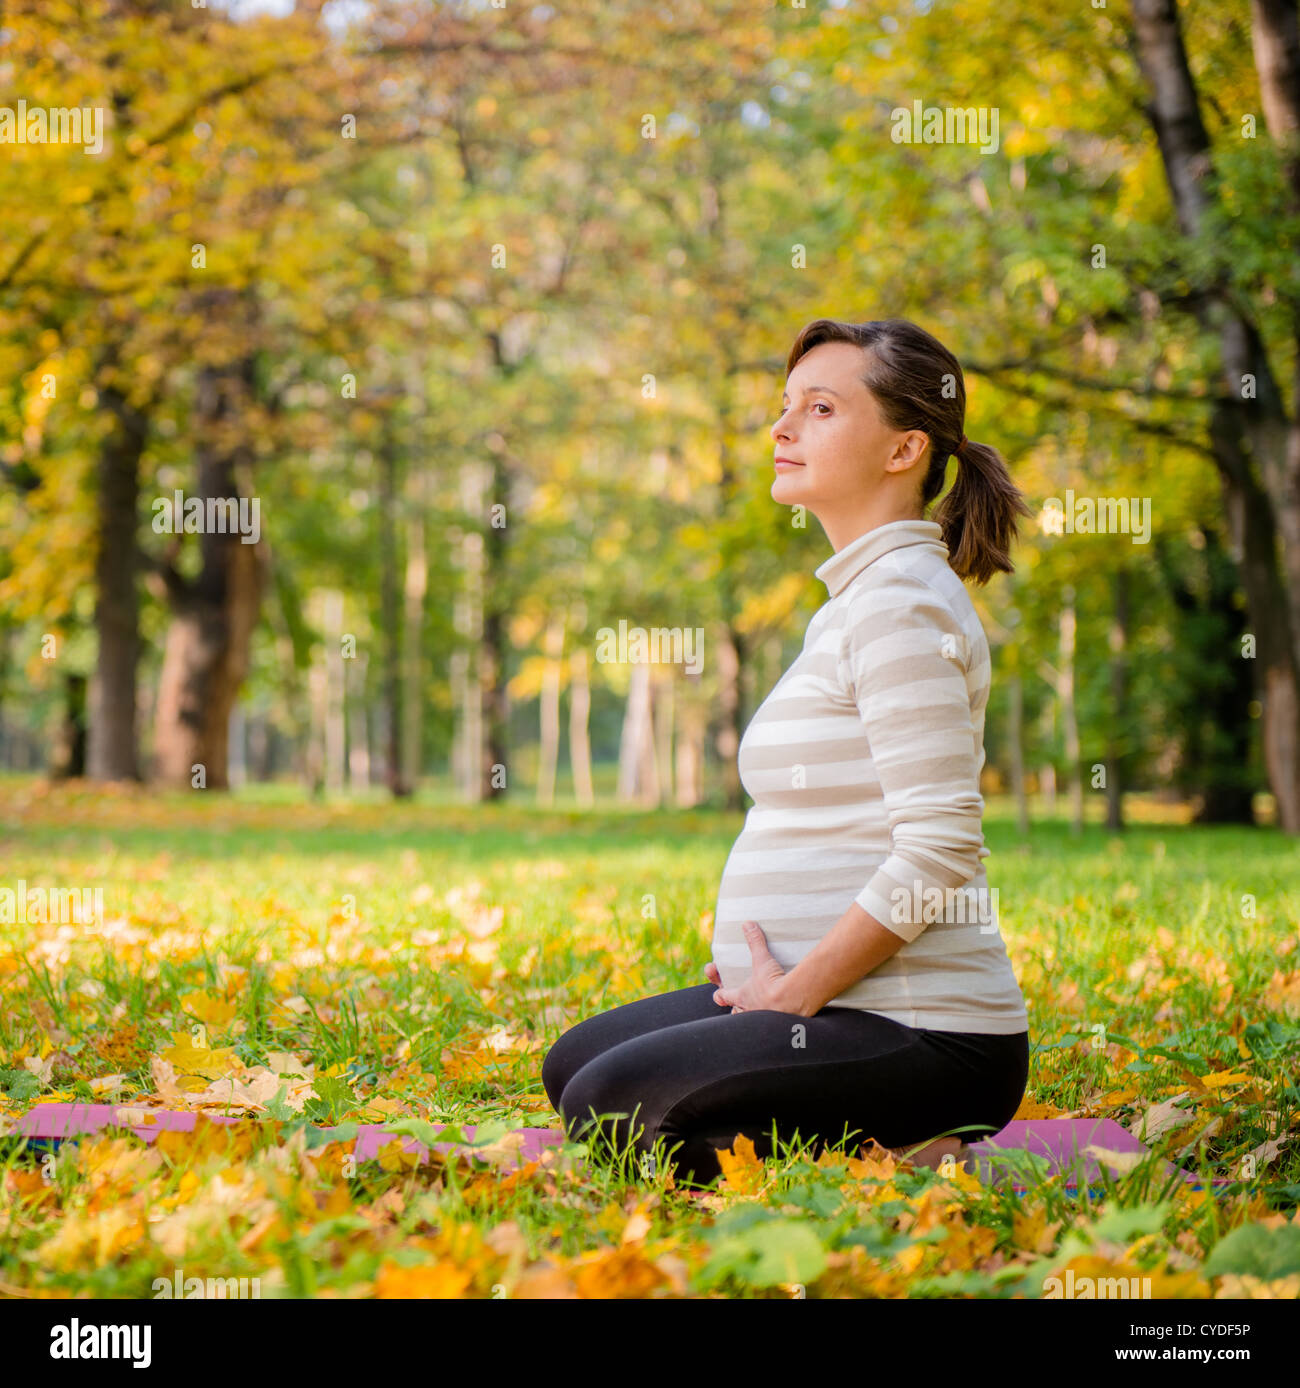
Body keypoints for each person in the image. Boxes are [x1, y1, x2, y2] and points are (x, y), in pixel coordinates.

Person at [541, 316, 1036, 1189]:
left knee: (610, 1102)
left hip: (929, 1033)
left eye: (818, 409)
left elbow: (941, 847)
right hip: (840, 1002)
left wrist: (798, 989)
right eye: (785, 407)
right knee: (575, 1065)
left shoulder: (899, 606)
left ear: (903, 449)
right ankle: (878, 1143)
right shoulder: (859, 598)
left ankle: (917, 1157)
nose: (781, 430)